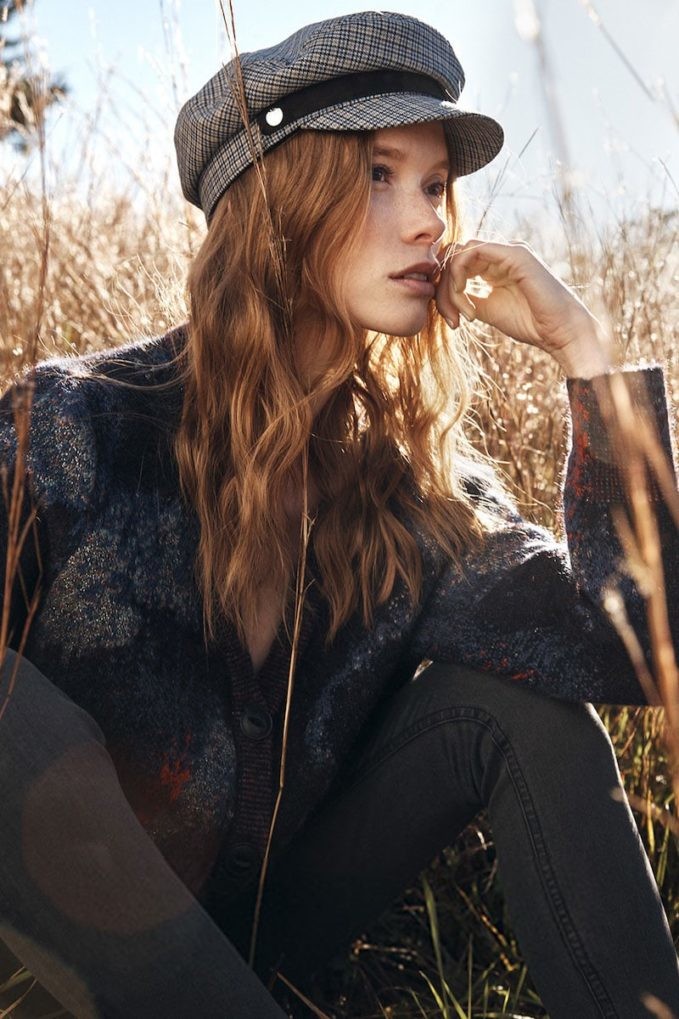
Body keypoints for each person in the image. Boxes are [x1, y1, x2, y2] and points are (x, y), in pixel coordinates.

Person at [0, 10, 677, 1018]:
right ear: (278, 198)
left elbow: (630, 646)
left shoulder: (414, 493)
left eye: (435, 185)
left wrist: (587, 353)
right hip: (46, 967)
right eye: (377, 174)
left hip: (261, 938)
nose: (427, 222)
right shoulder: (74, 425)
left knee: (519, 704)